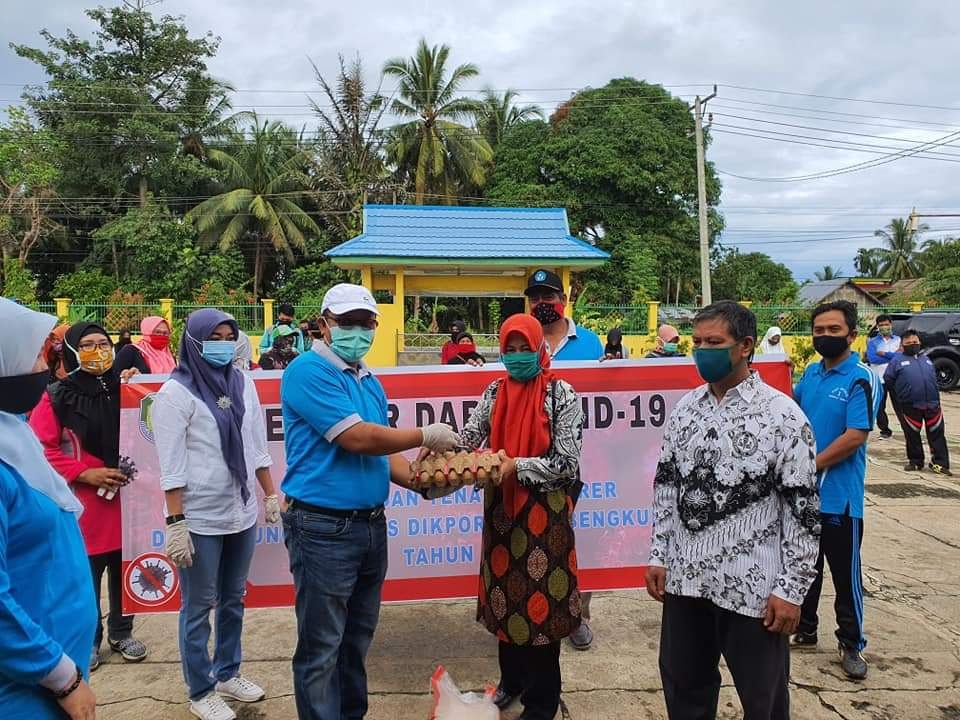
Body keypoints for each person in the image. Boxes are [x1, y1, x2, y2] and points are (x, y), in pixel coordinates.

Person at [279, 283, 461, 720]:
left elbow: (383, 455)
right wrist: (424, 434)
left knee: (356, 640)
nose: (357, 331)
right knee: (322, 647)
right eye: (346, 323)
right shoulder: (308, 371)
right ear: (324, 324)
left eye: (365, 323)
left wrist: (422, 482)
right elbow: (357, 438)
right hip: (323, 528)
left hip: (368, 526)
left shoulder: (367, 378)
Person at [646, 300, 820, 720]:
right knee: (684, 687)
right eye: (697, 341)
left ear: (744, 346)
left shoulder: (783, 416)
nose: (702, 350)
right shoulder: (686, 409)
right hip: (686, 581)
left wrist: (791, 590)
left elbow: (803, 511)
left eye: (714, 342)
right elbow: (667, 488)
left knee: (764, 700)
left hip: (754, 588)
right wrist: (658, 554)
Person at [152, 309, 281, 720]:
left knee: (234, 599)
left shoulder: (243, 382)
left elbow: (255, 445)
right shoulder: (175, 394)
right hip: (199, 517)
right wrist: (177, 523)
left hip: (240, 510)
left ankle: (228, 672)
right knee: (197, 605)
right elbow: (170, 465)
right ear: (193, 341)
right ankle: (200, 688)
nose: (224, 343)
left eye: (230, 335)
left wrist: (269, 495)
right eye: (215, 336)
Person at [460, 314, 584, 720]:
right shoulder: (494, 392)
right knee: (504, 602)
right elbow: (469, 438)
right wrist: (442, 449)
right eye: (509, 350)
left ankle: (541, 702)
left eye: (524, 349)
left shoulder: (561, 394)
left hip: (545, 517)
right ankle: (510, 683)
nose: (516, 357)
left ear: (539, 348)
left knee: (541, 610)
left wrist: (517, 466)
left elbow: (565, 463)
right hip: (501, 513)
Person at [30, 321, 148, 671]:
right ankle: (90, 638)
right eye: (88, 345)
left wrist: (136, 381)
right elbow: (41, 448)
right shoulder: (55, 396)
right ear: (70, 351)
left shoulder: (126, 388)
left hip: (129, 499)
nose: (99, 351)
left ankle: (121, 632)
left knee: (126, 570)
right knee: (86, 577)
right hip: (86, 503)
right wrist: (83, 472)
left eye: (104, 343)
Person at [0, 298, 98, 719]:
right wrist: (63, 678)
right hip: (27, 687)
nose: (49, 363)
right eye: (42, 351)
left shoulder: (12, 430)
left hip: (49, 672)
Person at [792, 300, 881, 680]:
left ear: (852, 334)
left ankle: (852, 643)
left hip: (839, 500)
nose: (825, 336)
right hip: (803, 496)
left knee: (845, 576)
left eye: (833, 330)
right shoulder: (810, 375)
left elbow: (855, 435)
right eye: (819, 330)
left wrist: (809, 466)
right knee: (803, 569)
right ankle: (806, 629)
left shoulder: (860, 377)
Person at [525, 268, 602, 650]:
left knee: (571, 541)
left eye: (548, 296)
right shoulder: (521, 341)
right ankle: (529, 614)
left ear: (564, 300)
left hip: (571, 464)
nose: (542, 303)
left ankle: (575, 617)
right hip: (526, 464)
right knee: (532, 542)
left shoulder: (590, 344)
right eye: (535, 297)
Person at [884, 330, 951, 475]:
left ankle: (940, 463)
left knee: (937, 434)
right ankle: (916, 461)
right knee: (912, 434)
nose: (912, 345)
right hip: (910, 405)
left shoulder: (926, 359)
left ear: (919, 343)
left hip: (932, 404)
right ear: (902, 345)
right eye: (908, 343)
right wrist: (902, 394)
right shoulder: (896, 361)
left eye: (915, 342)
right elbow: (888, 379)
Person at [866, 314, 899, 439]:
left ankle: (910, 431)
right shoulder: (873, 342)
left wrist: (884, 354)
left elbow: (901, 357)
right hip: (879, 378)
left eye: (886, 324)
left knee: (901, 407)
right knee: (879, 407)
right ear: (878, 327)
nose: (884, 327)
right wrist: (893, 356)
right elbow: (872, 358)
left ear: (891, 324)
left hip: (896, 378)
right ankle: (885, 430)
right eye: (881, 325)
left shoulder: (899, 340)